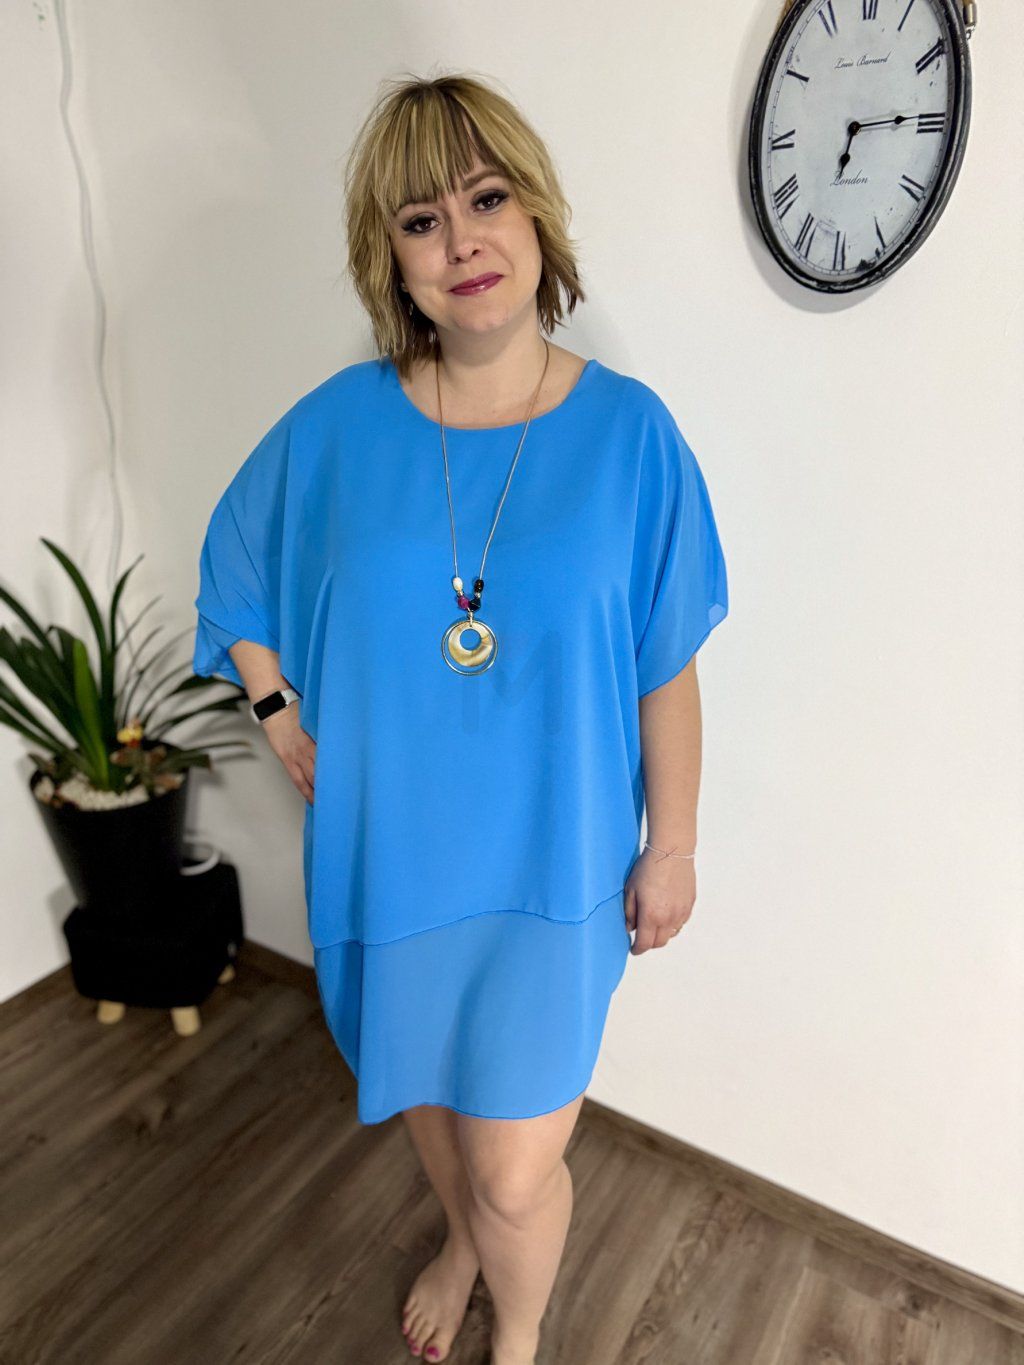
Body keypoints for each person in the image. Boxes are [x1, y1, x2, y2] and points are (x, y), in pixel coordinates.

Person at [193, 71, 728, 1365]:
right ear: (393, 259)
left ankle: (520, 1329)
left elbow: (664, 663)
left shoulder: (631, 436)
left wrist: (671, 846)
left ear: (536, 214)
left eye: (486, 200)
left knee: (515, 1168)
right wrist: (275, 704)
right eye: (421, 220)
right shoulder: (337, 428)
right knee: (434, 1106)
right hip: (393, 859)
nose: (462, 241)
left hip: (553, 869)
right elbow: (236, 560)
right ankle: (460, 1245)